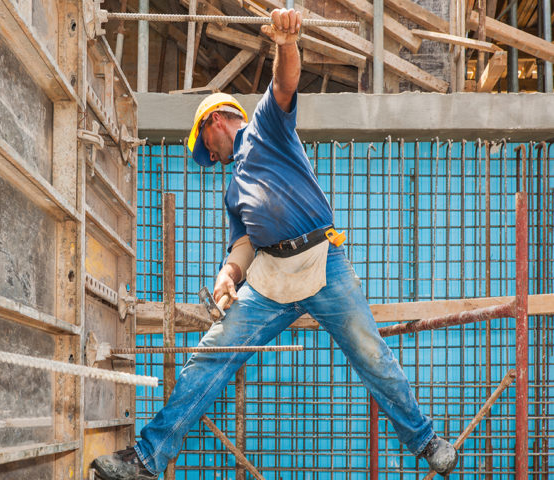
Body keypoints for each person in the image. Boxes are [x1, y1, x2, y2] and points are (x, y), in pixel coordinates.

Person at [93, 8, 458, 480]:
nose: (212, 156)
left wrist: (287, 44)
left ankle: (424, 439)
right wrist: (227, 278)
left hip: (322, 263)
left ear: (215, 122)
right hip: (269, 280)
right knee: (211, 357)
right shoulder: (231, 190)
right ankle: (146, 458)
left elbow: (285, 83)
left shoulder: (265, 128)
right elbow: (244, 244)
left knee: (371, 352)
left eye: (208, 147)